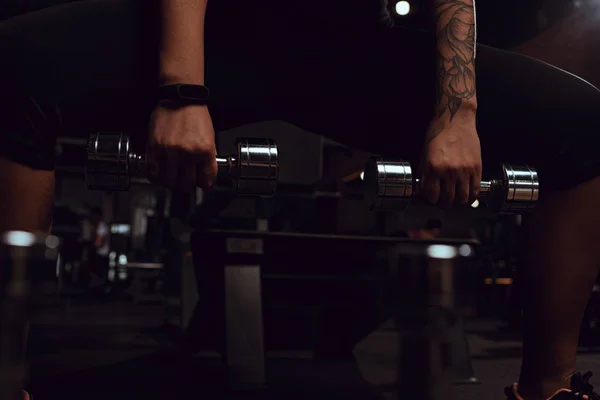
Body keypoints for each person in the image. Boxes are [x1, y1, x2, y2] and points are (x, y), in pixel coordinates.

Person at [1, 0, 599, 399]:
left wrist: (457, 111)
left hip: (353, 42)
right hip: (226, 29)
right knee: (14, 70)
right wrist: (181, 91)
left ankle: (550, 390)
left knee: (584, 126)